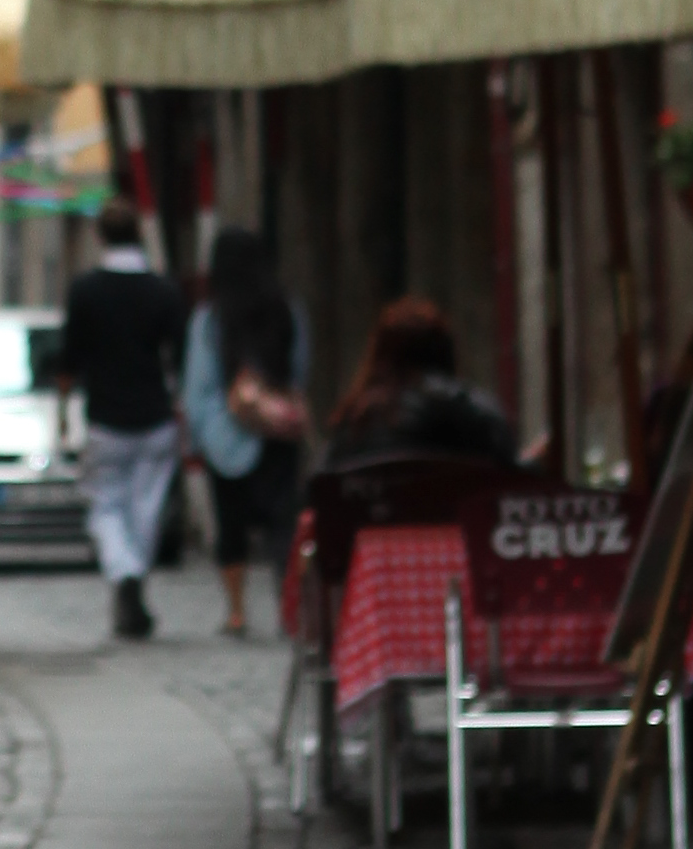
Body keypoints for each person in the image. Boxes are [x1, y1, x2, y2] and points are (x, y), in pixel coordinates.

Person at [51, 200, 186, 637]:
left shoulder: (85, 291)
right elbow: (179, 357)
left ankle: (123, 572)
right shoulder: (164, 291)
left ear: (99, 237)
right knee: (145, 508)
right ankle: (134, 578)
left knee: (107, 505)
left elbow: (70, 356)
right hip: (154, 415)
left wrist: (62, 412)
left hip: (106, 416)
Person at [180, 219, 309, 642]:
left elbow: (200, 385)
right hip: (278, 430)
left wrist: (205, 435)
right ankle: (288, 609)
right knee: (283, 524)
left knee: (230, 525)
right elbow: (301, 367)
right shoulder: (288, 308)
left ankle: (236, 612)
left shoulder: (211, 318)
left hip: (227, 437)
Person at [320, 293, 515, 467]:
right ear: (445, 352)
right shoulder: (469, 414)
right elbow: (504, 458)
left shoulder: (355, 421)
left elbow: (321, 483)